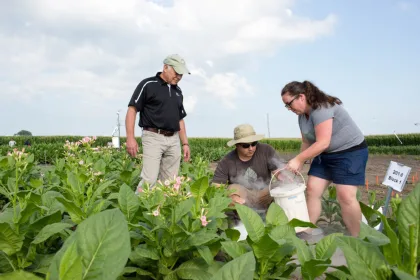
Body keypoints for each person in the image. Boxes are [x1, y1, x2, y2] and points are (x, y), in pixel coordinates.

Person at [281, 80, 368, 237]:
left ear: (301, 97)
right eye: (286, 106)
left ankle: (359, 239)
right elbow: (307, 142)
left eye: (289, 104)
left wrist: (298, 159)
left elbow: (323, 142)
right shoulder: (302, 117)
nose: (288, 108)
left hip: (349, 152)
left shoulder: (322, 108)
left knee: (345, 196)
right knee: (313, 189)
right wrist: (300, 162)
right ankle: (306, 230)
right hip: (326, 154)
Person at [125, 54, 191, 189]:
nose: (179, 77)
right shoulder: (148, 84)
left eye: (181, 74)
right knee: (149, 180)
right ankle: (139, 209)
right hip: (153, 137)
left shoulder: (178, 91)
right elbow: (132, 110)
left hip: (173, 140)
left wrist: (185, 143)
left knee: (170, 182)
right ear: (165, 67)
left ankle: (161, 209)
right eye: (177, 72)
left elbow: (180, 119)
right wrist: (130, 138)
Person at [212, 124, 288, 223]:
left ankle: (281, 222)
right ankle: (242, 225)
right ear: (237, 145)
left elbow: (277, 172)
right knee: (233, 189)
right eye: (246, 145)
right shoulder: (227, 161)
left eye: (254, 143)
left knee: (281, 186)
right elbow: (216, 186)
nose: (251, 148)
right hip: (243, 199)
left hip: (265, 194)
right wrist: (230, 197)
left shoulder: (266, 150)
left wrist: (283, 177)